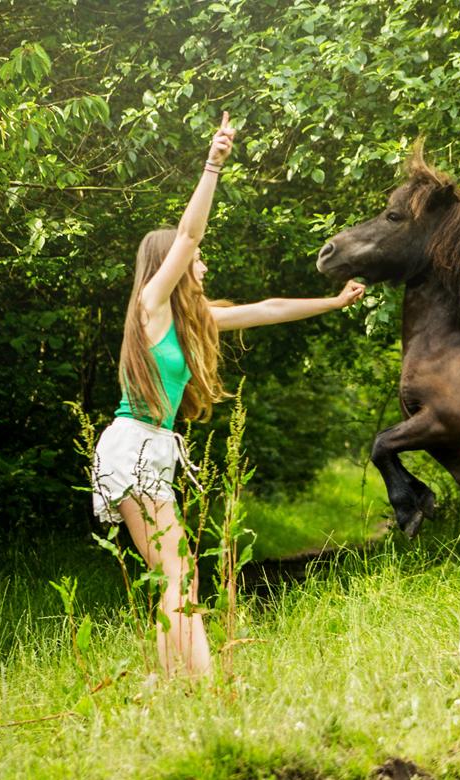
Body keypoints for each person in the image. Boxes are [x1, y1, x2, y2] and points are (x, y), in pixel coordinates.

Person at [91, 112, 365, 676]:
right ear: (171, 263)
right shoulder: (150, 308)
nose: (203, 263)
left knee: (176, 574)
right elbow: (190, 233)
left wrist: (333, 303)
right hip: (132, 447)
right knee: (179, 573)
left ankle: (180, 684)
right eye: (195, 260)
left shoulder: (190, 322)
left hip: (150, 450)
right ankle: (198, 683)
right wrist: (213, 165)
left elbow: (266, 310)